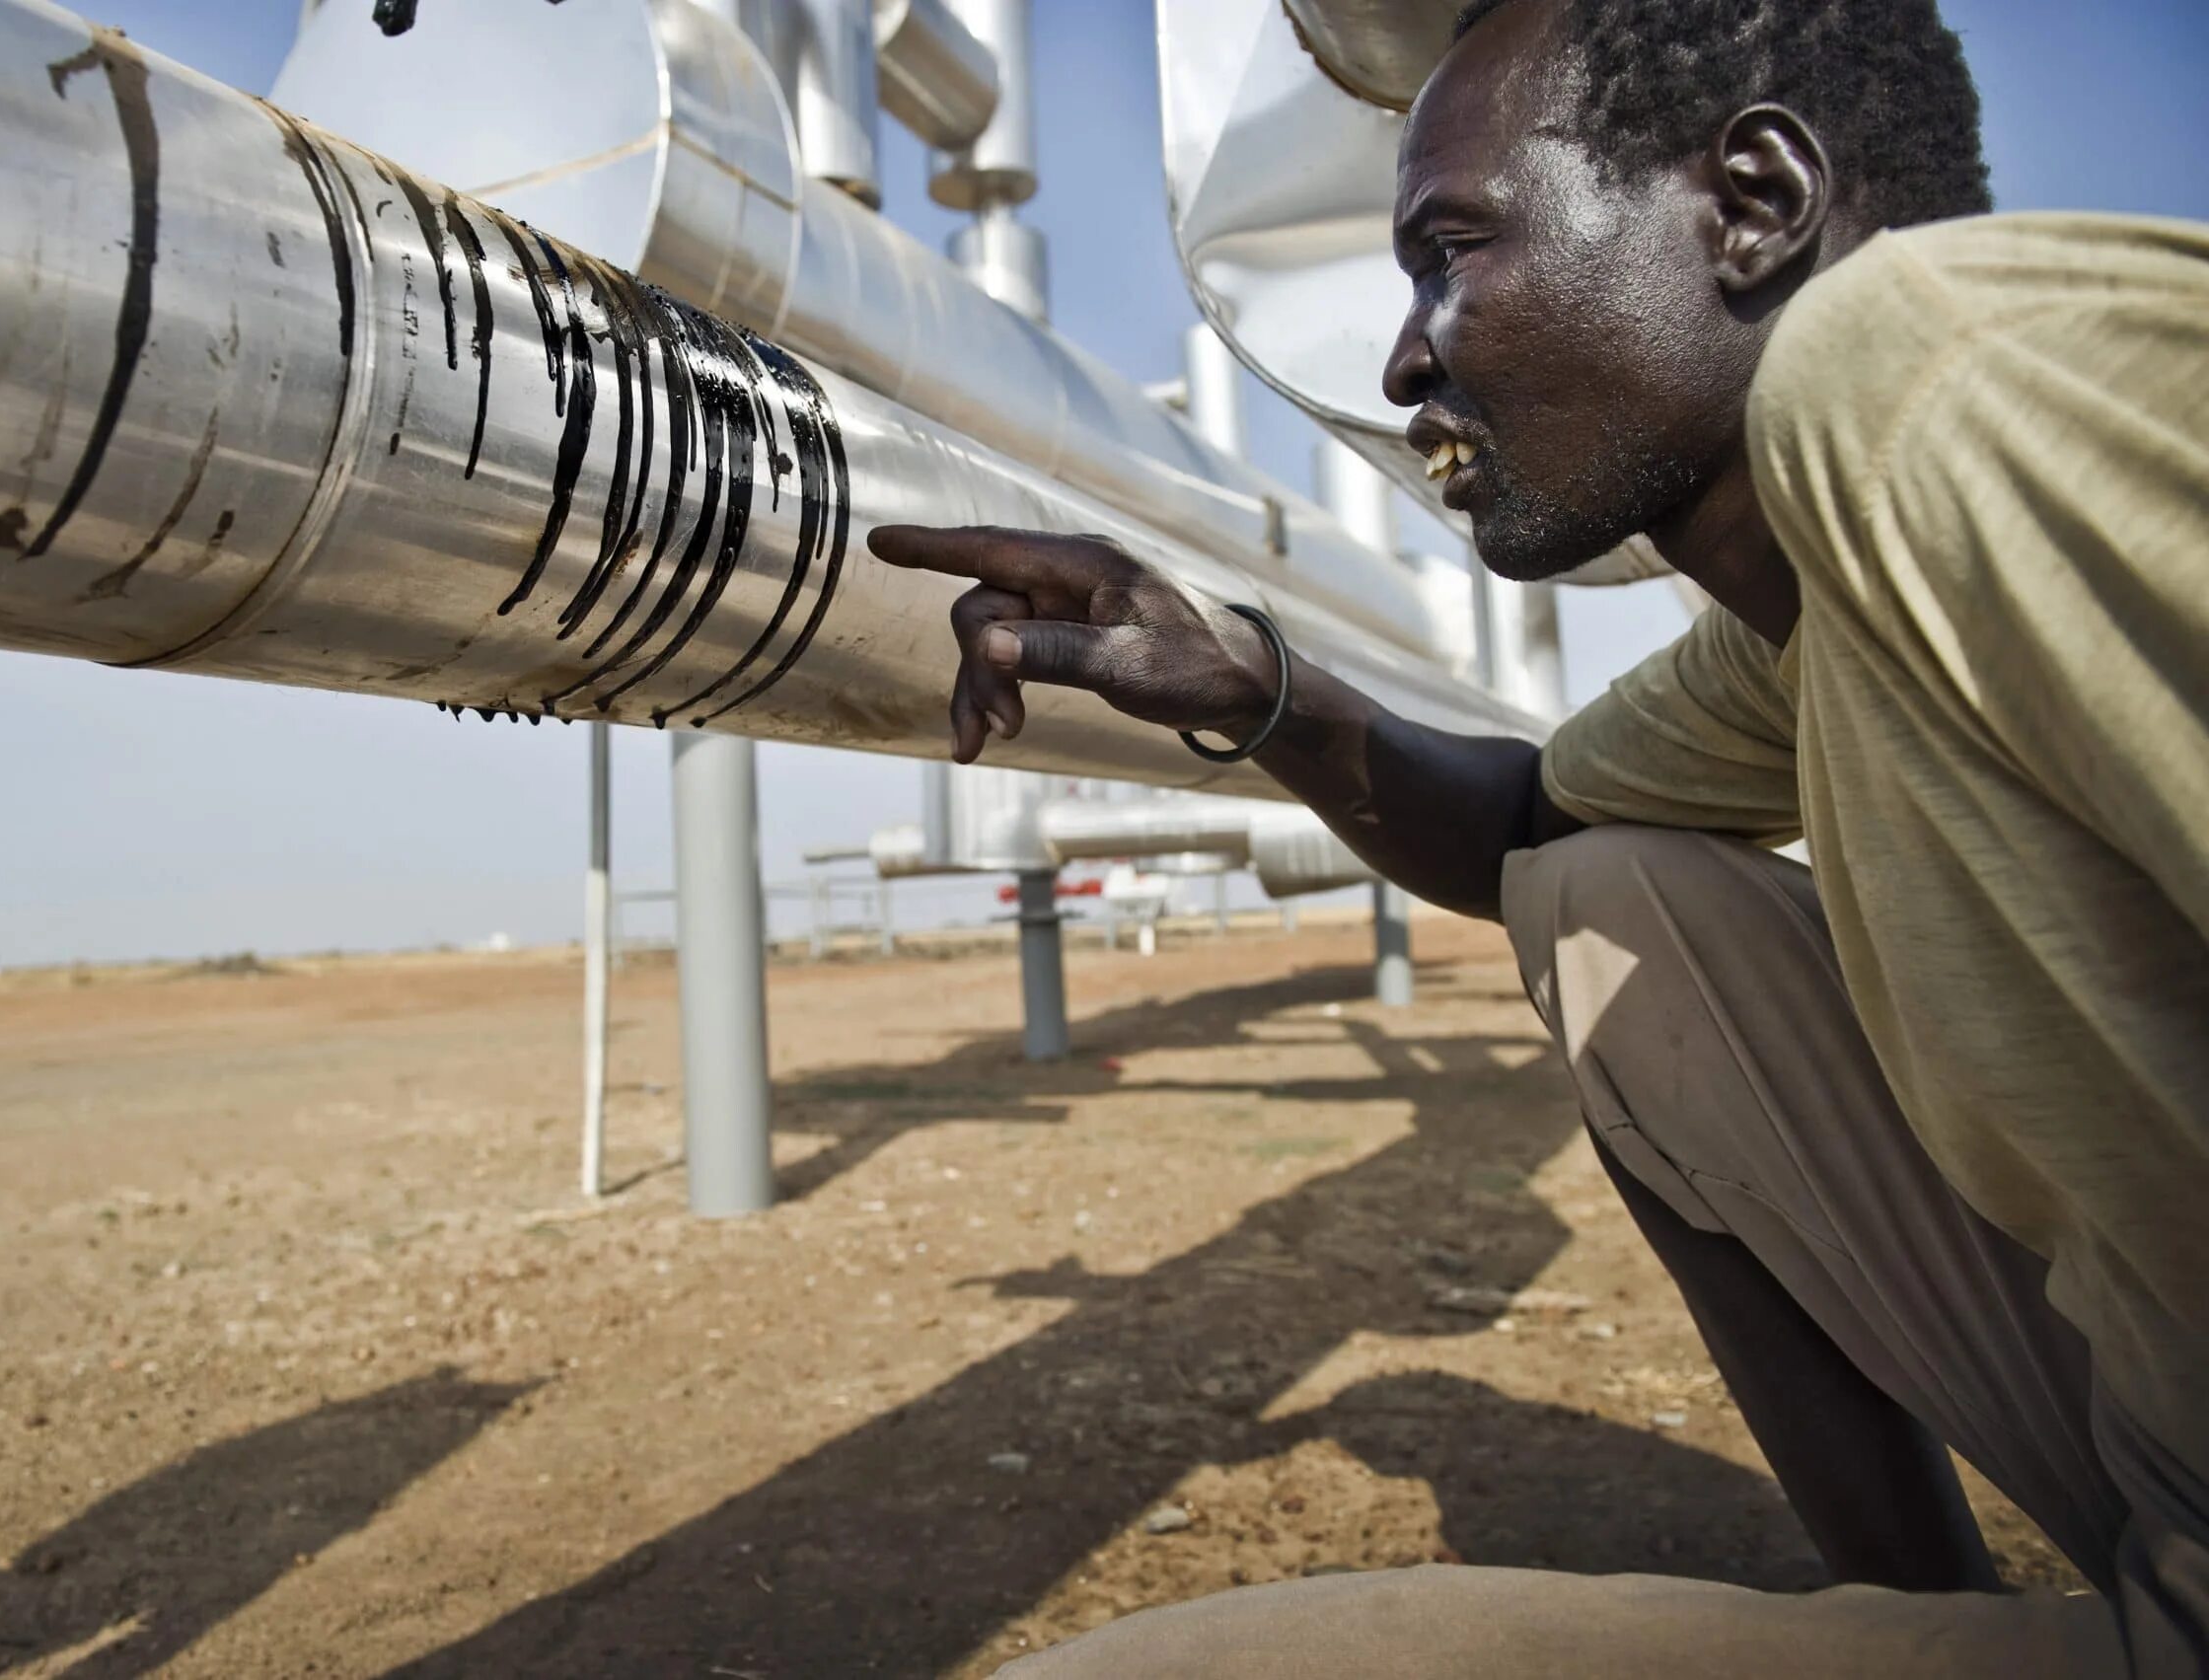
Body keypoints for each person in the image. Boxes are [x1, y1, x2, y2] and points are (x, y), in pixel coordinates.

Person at [867, 0, 2209, 1673]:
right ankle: (1919, 1621)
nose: (1404, 360)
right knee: (1602, 894)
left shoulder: (1929, 367)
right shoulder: (1809, 622)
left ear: (1755, 204)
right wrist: (1257, 688)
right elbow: (1525, 822)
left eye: (1449, 254)